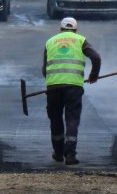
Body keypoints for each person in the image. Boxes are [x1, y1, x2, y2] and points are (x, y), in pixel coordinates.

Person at [42, 17, 101, 165]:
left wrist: (52, 81)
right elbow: (96, 57)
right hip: (74, 87)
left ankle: (58, 153)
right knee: (72, 119)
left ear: (60, 29)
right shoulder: (80, 40)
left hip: (54, 87)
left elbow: (45, 69)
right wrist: (93, 75)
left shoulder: (50, 42)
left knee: (55, 119)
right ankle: (70, 155)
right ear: (75, 29)